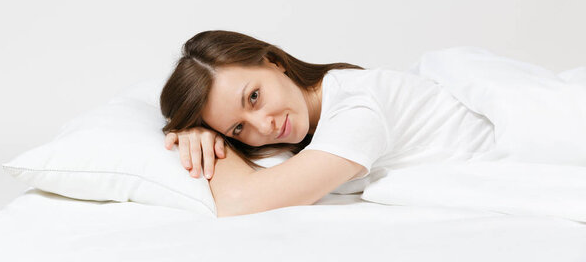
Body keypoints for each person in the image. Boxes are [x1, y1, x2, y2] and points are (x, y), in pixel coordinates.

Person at [160, 30, 496, 217]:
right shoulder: (326, 103)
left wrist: (205, 137)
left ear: (274, 62)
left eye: (253, 97)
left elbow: (241, 201)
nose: (263, 127)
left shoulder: (357, 109)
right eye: (236, 129)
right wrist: (200, 129)